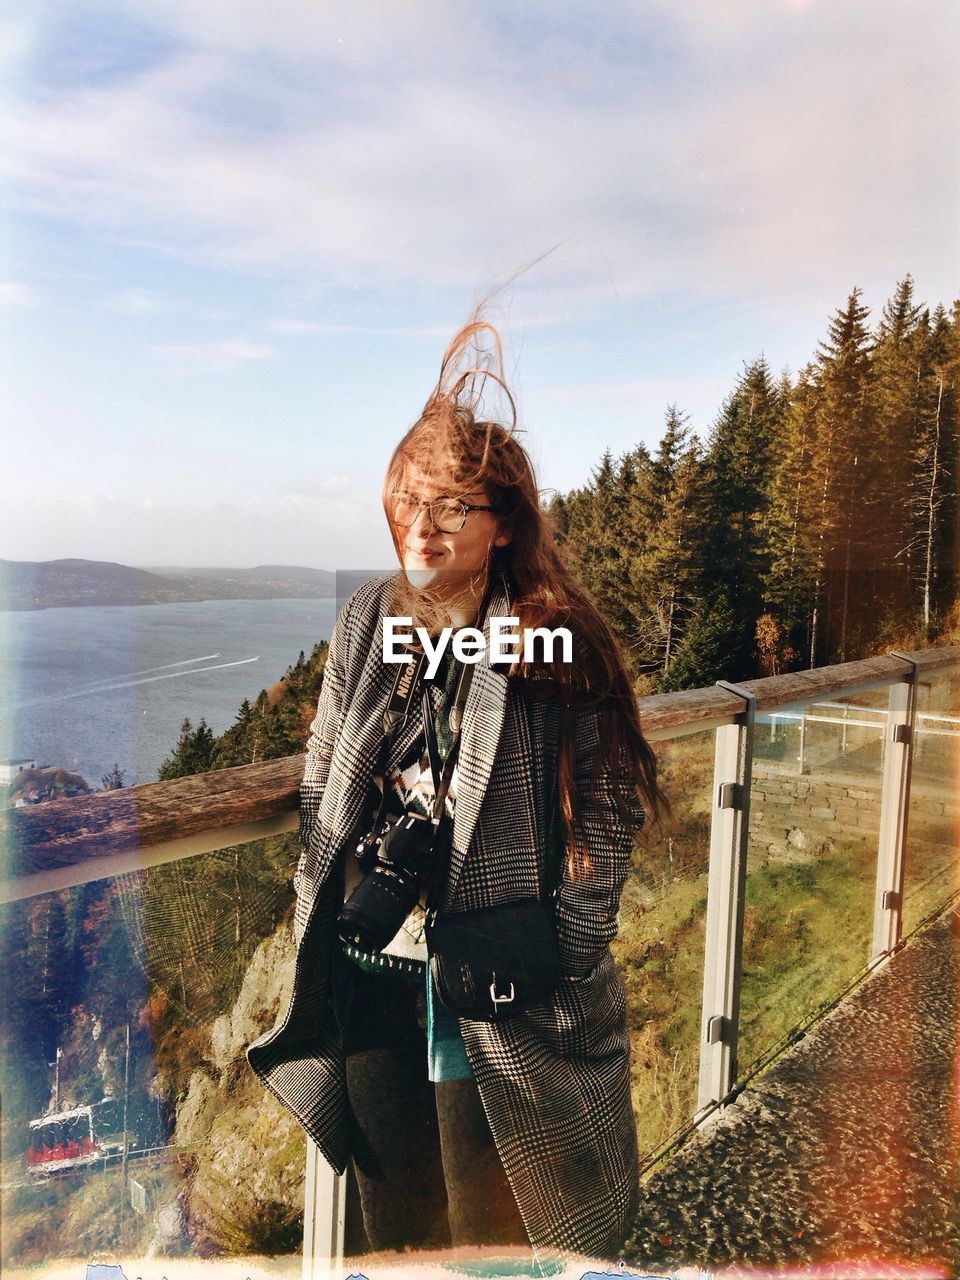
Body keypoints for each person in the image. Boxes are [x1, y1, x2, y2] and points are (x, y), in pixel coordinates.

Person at [248, 318, 668, 1261]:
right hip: (377, 972)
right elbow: (325, 768)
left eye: (449, 508)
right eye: (407, 504)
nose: (420, 530)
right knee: (400, 1233)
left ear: (504, 523)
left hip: (502, 985)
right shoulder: (367, 616)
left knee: (501, 1239)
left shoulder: (557, 637)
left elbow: (606, 803)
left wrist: (567, 938)